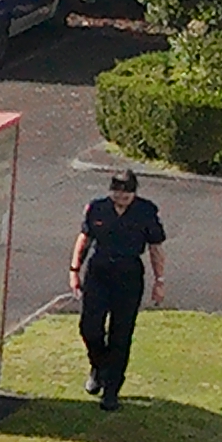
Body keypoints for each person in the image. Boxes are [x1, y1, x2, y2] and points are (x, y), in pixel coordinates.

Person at [68, 171, 167, 410]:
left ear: (134, 192)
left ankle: (111, 390)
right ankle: (98, 366)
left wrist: (159, 281)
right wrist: (74, 270)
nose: (121, 196)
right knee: (90, 328)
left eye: (126, 192)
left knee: (120, 335)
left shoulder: (146, 211)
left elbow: (155, 248)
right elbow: (84, 239)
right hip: (99, 273)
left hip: (128, 275)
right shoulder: (97, 208)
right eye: (117, 191)